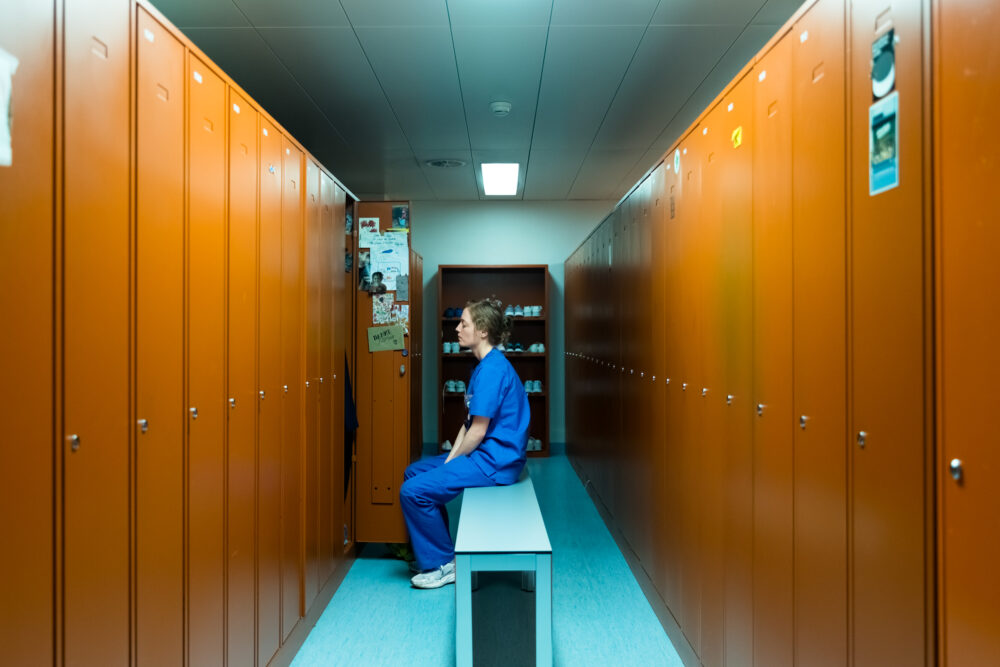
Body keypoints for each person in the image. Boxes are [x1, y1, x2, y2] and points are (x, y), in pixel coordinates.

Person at [400, 298, 530, 589]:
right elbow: (468, 425)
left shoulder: (493, 369)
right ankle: (433, 552)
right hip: (483, 454)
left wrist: (453, 462)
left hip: (495, 462)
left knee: (412, 491)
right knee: (414, 473)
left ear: (482, 331)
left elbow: (478, 433)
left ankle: (445, 564)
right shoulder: (483, 366)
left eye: (464, 324)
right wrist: (450, 459)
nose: (457, 328)